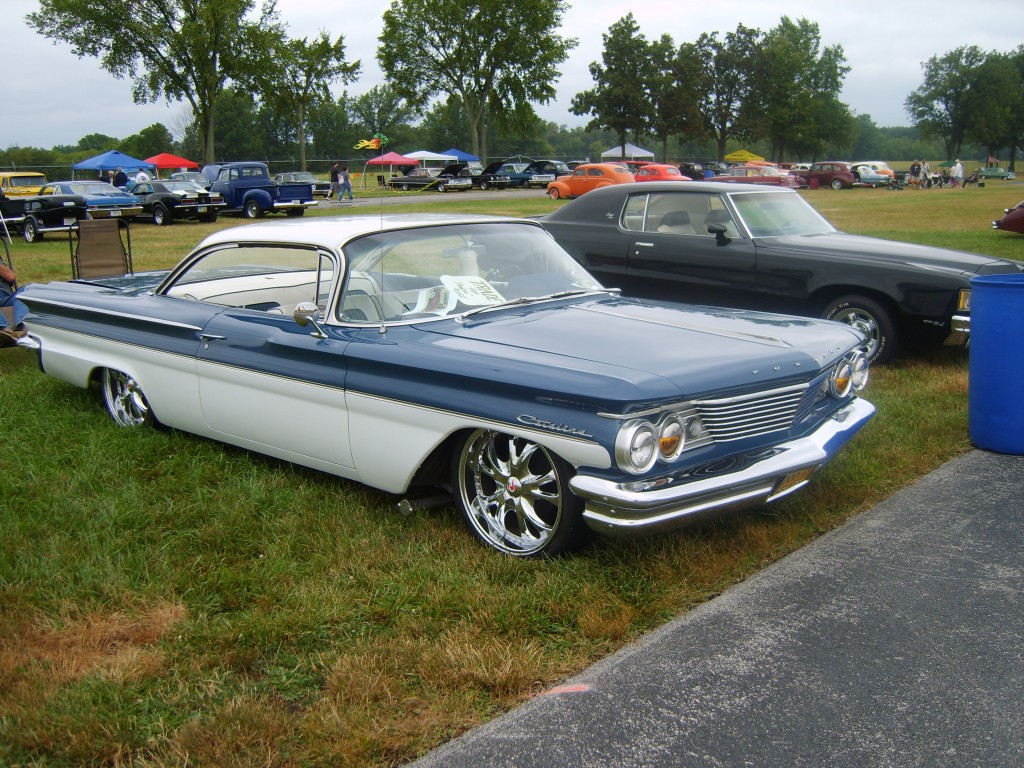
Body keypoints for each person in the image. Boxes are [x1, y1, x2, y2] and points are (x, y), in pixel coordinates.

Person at [0, 252, 28, 347]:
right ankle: (5, 331)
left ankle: (27, 328)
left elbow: (10, 276)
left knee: (28, 289)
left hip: (5, 299)